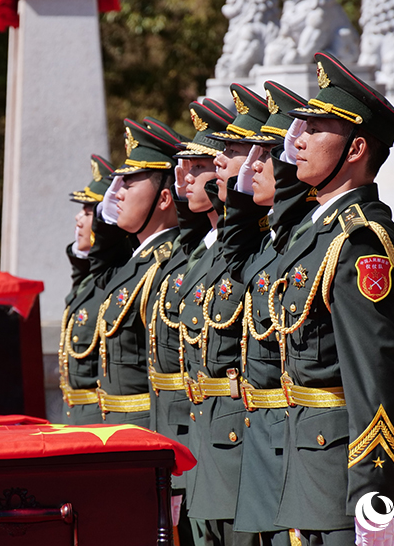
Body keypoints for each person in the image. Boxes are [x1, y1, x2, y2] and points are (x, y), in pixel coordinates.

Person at [270, 52, 394, 546]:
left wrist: (374, 504)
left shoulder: (360, 241)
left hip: (342, 488)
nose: (299, 140)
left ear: (356, 148)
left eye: (315, 129)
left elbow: (378, 378)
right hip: (303, 476)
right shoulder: (312, 233)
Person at [177, 84, 272, 546]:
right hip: (206, 436)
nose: (216, 163)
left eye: (230, 150)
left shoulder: (264, 248)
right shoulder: (207, 251)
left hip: (243, 438)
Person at [218, 81, 313, 546]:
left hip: (302, 445)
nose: (249, 166)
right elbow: (234, 259)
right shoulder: (267, 247)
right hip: (263, 439)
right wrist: (238, 198)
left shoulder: (309, 244)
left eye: (263, 156)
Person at [147, 98, 234, 546]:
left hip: (235, 441)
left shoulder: (237, 251)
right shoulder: (195, 251)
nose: (182, 175)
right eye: (182, 165)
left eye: (198, 164)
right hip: (195, 437)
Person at [91, 118, 183, 428]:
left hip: (147, 425)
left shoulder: (167, 265)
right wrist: (103, 223)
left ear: (164, 198)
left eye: (128, 183)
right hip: (119, 425)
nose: (116, 192)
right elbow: (101, 277)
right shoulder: (136, 263)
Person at [59, 153, 129, 424]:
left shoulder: (115, 278)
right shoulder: (90, 279)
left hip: (98, 416)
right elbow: (82, 274)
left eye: (89, 211)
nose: (78, 218)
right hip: (76, 412)